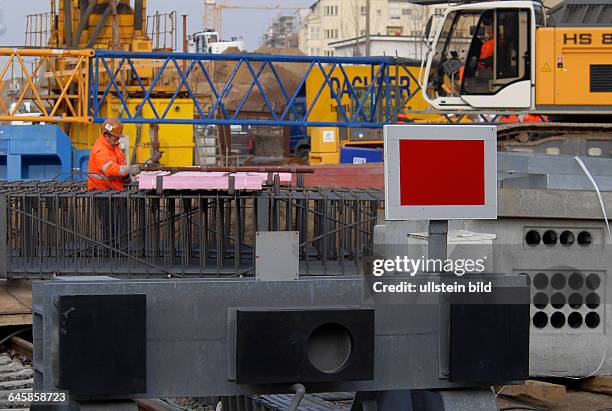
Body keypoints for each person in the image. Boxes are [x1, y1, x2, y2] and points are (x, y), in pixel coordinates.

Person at [88, 118, 139, 190]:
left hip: (114, 189)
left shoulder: (114, 145)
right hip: (101, 193)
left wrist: (126, 177)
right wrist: (129, 170)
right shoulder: (100, 150)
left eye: (118, 139)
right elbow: (110, 169)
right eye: (115, 140)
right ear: (106, 136)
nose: (116, 142)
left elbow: (121, 162)